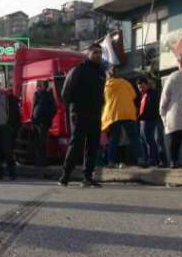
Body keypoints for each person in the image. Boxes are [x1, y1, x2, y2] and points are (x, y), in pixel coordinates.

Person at [59, 44, 106, 187]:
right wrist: (73, 109)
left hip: (95, 114)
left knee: (93, 146)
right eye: (95, 52)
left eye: (100, 52)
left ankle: (87, 176)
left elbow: (101, 94)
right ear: (88, 54)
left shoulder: (101, 73)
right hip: (79, 113)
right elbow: (65, 93)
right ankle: (65, 175)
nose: (98, 55)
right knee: (77, 144)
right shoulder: (78, 70)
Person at [101, 66, 144, 168]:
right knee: (134, 138)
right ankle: (141, 159)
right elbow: (133, 95)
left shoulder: (107, 85)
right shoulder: (126, 83)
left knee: (114, 139)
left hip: (114, 114)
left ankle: (111, 162)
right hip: (128, 113)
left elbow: (105, 99)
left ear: (108, 75)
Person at [137, 77, 167, 167]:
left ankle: (159, 160)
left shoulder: (153, 93)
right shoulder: (143, 95)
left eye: (142, 87)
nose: (141, 89)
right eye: (139, 88)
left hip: (154, 120)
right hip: (144, 121)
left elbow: (155, 107)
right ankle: (151, 160)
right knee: (146, 141)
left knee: (156, 141)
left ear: (147, 85)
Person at [31, 79, 57, 166]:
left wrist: (48, 117)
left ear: (43, 86)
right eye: (37, 86)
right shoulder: (36, 94)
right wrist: (32, 120)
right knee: (37, 142)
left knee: (42, 142)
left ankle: (42, 161)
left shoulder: (48, 95)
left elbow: (54, 108)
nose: (37, 87)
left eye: (39, 86)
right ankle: (38, 161)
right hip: (36, 122)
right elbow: (33, 107)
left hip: (43, 122)